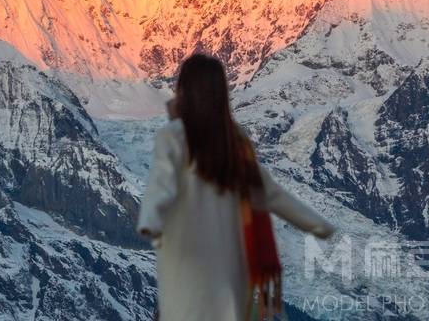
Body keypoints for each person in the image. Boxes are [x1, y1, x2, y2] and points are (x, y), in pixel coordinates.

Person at [138, 53, 335, 321]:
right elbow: (269, 193)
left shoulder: (174, 137)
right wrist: (316, 224)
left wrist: (150, 221)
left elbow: (161, 187)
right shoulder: (237, 144)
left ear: (183, 91)